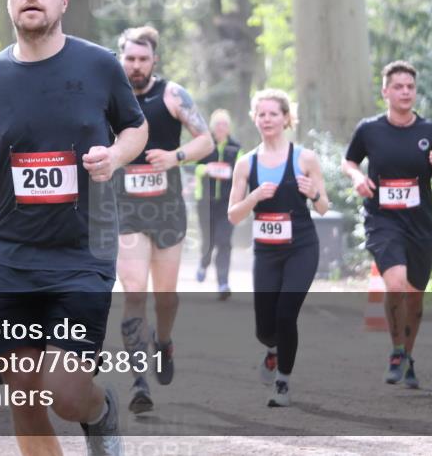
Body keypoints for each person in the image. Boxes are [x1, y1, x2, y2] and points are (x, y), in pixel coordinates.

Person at [0, 0, 147, 456]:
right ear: (9, 0)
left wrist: (115, 157)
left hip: (84, 251)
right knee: (24, 393)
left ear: (63, 0)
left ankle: (100, 412)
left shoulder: (99, 65)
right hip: (12, 251)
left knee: (66, 391)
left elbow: (136, 129)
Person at [114, 26, 214, 414]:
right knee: (135, 291)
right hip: (126, 211)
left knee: (165, 298)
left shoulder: (172, 94)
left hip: (167, 209)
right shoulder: (111, 97)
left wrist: (176, 157)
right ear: (120, 58)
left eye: (143, 59)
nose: (136, 66)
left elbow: (205, 140)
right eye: (130, 59)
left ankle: (165, 341)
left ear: (154, 60)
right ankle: (139, 381)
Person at [341, 60, 432, 390]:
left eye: (411, 87)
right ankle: (396, 352)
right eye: (399, 87)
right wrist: (358, 176)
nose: (406, 92)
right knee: (396, 285)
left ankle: (406, 355)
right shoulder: (369, 129)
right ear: (385, 91)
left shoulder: (430, 132)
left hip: (419, 224)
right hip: (382, 220)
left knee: (415, 299)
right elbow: (349, 160)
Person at [227, 89, 330, 408]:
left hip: (301, 246)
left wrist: (314, 193)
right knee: (264, 326)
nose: (267, 119)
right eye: (262, 114)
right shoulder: (246, 164)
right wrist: (254, 197)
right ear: (254, 119)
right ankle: (272, 350)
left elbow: (325, 206)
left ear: (287, 118)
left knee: (287, 315)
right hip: (266, 251)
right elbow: (233, 215)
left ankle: (282, 382)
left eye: (274, 113)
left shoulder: (305, 158)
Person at [194, 109, 243, 300]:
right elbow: (191, 166)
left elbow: (241, 172)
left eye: (224, 124)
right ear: (212, 128)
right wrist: (205, 168)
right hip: (205, 203)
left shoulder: (236, 148)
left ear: (229, 127)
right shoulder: (205, 146)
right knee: (208, 240)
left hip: (227, 203)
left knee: (224, 241)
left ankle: (223, 282)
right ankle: (204, 262)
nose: (221, 128)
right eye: (217, 125)